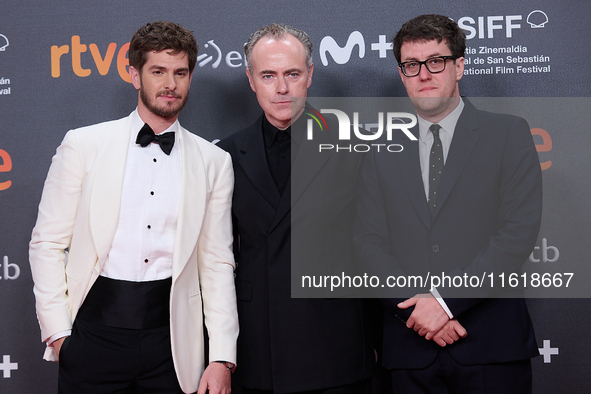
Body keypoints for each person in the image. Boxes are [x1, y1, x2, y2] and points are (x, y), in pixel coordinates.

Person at [29, 21, 238, 394]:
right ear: (134, 75)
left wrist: (221, 356)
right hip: (92, 335)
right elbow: (46, 244)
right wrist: (60, 336)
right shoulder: (83, 145)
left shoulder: (214, 162)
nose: (170, 84)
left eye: (180, 72)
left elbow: (218, 263)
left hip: (172, 345)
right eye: (158, 71)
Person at [354, 14, 542, 393]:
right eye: (411, 65)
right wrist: (419, 310)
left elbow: (516, 234)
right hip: (410, 350)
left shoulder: (508, 134)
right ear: (402, 74)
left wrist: (444, 302)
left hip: (490, 344)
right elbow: (367, 244)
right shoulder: (380, 150)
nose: (423, 74)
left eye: (435, 61)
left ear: (459, 66)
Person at [217, 23, 375, 394]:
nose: (282, 88)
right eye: (268, 75)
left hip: (335, 346)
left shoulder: (354, 146)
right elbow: (215, 258)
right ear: (251, 80)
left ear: (310, 76)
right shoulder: (224, 154)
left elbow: (375, 247)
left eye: (292, 74)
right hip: (256, 350)